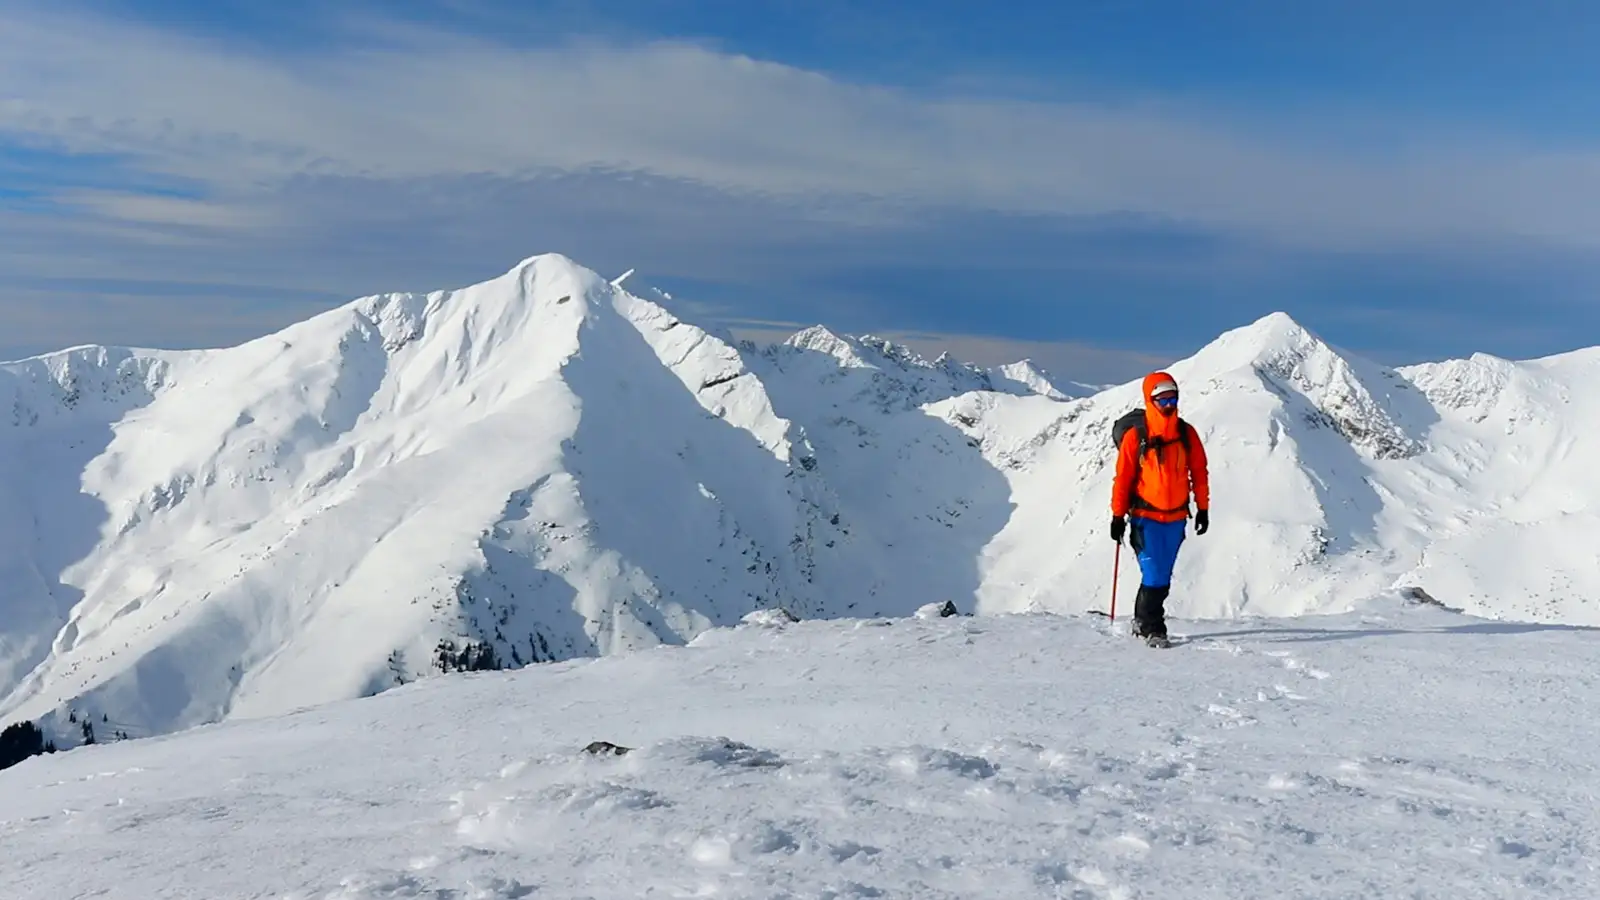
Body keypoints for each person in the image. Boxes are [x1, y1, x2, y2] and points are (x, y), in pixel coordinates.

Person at [1109, 372, 1210, 645]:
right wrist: (1118, 515)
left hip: (1176, 517)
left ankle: (1141, 620)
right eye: (1161, 399)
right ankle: (1154, 628)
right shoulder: (1135, 437)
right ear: (1149, 400)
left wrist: (1203, 508)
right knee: (1153, 573)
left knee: (1162, 575)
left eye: (1172, 398)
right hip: (1145, 517)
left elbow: (1199, 472)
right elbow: (1124, 479)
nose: (1168, 405)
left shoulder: (1186, 434)